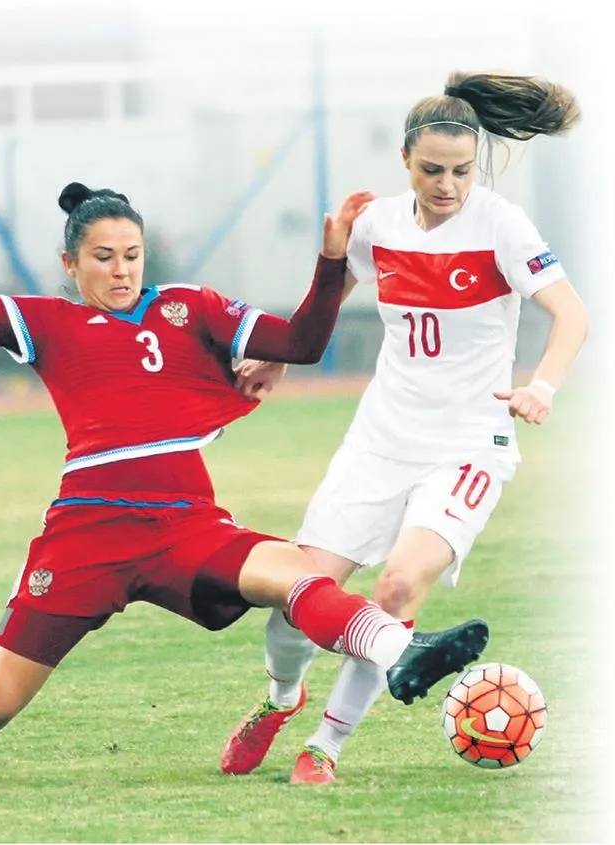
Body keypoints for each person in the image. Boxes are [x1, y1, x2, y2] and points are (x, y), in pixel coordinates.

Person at [0, 116, 492, 784]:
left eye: (132, 253)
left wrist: (330, 263)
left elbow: (300, 344)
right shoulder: (48, 323)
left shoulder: (189, 308)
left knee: (296, 572)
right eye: (102, 256)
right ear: (70, 264)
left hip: (186, 522)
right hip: (87, 534)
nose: (121, 269)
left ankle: (403, 646)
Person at [220, 70, 587, 784]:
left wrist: (542, 386)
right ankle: (279, 701)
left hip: (469, 442)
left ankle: (324, 744)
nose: (447, 185)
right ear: (404, 161)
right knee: (299, 596)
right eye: (432, 171)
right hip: (380, 439)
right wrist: (283, 359)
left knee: (395, 589)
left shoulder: (503, 225)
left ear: (475, 164)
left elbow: (572, 315)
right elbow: (332, 296)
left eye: (460, 171)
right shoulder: (379, 223)